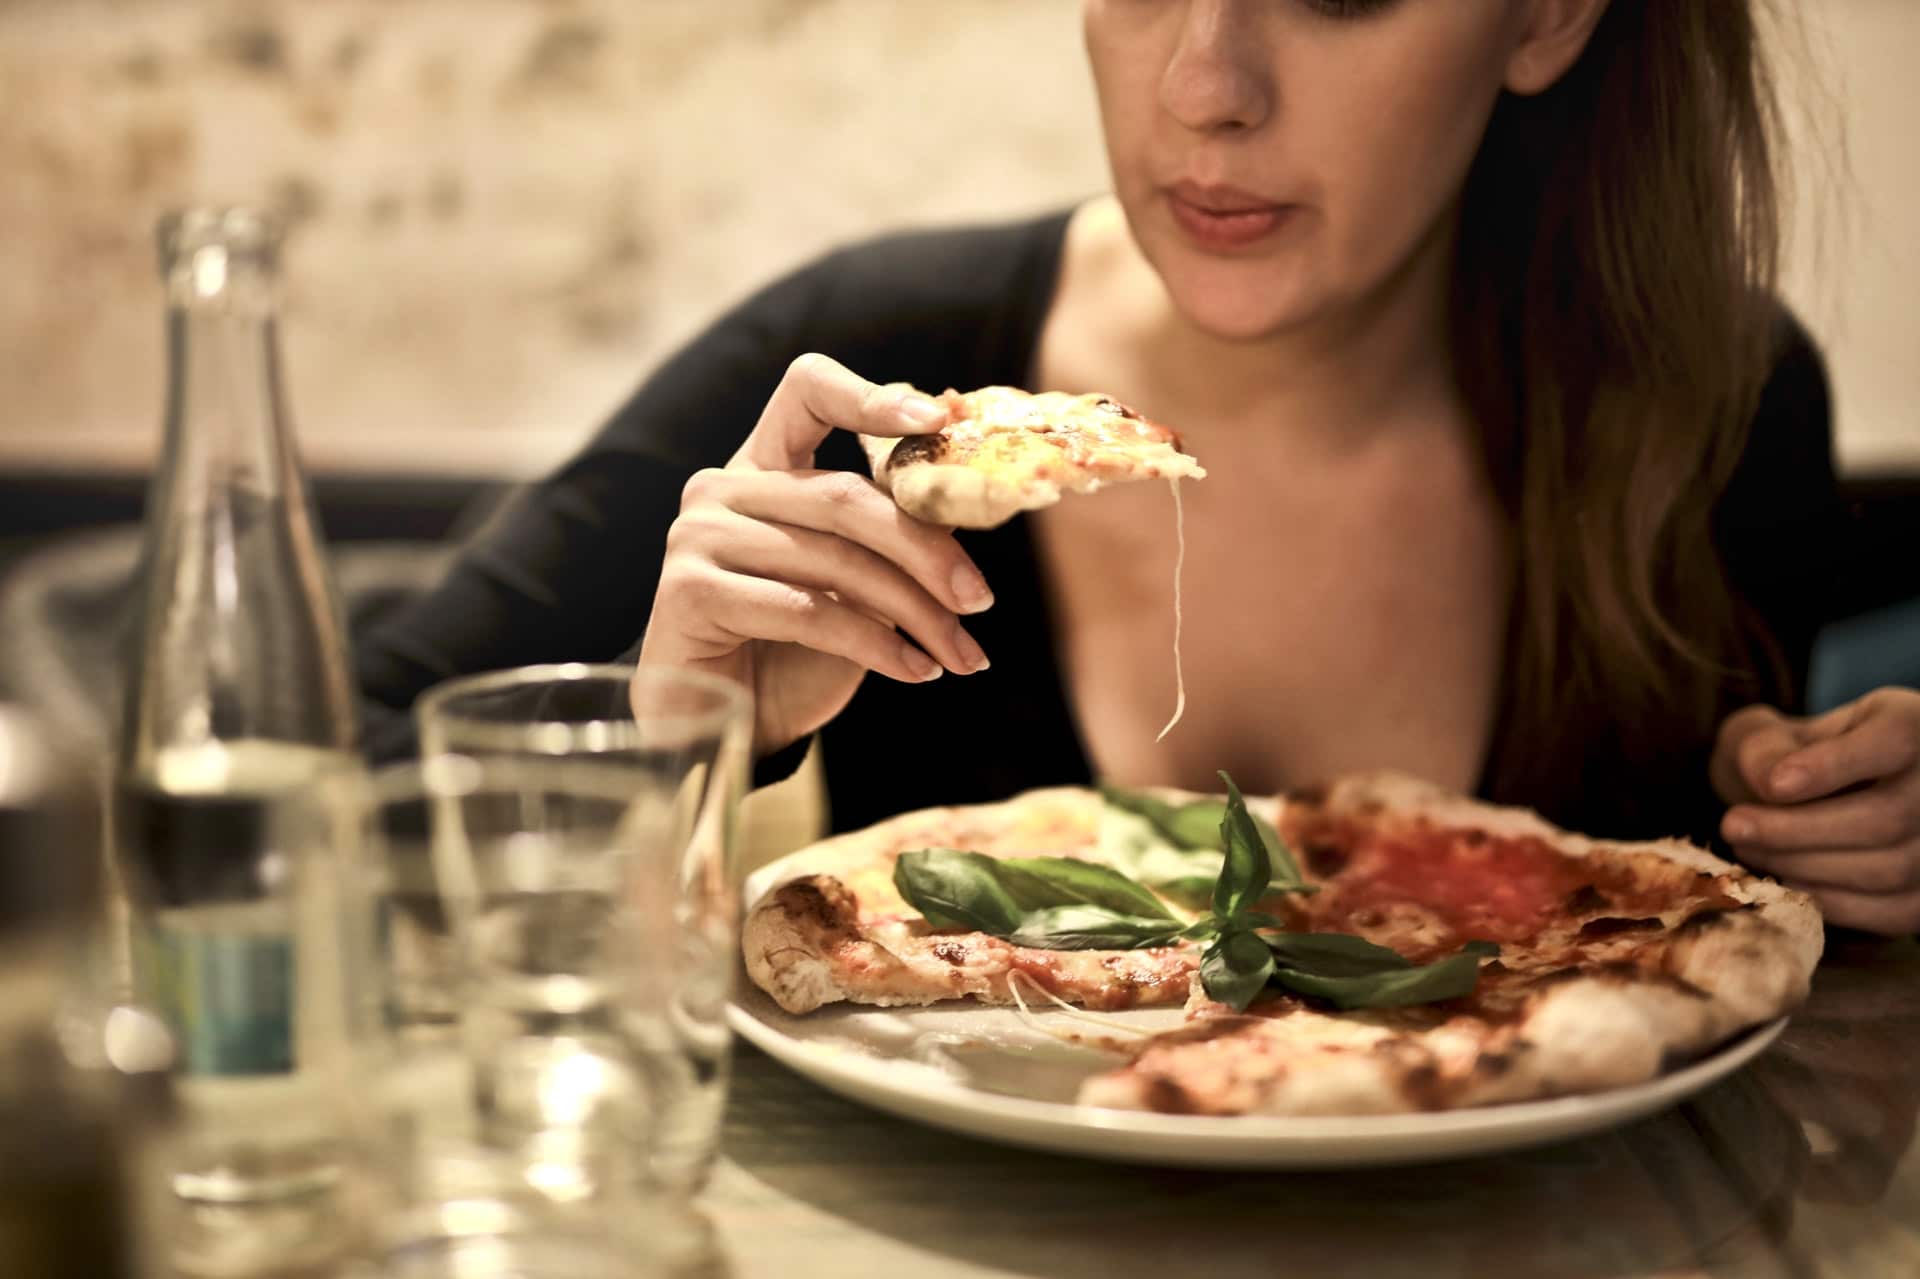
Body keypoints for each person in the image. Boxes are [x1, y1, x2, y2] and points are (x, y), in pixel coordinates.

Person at [359, 0, 1920, 935]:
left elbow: (1725, 954)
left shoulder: (1717, 399)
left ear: (1547, 15)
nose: (1203, 88)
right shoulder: (869, 365)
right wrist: (669, 745)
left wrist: (1840, 827)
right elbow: (294, 795)